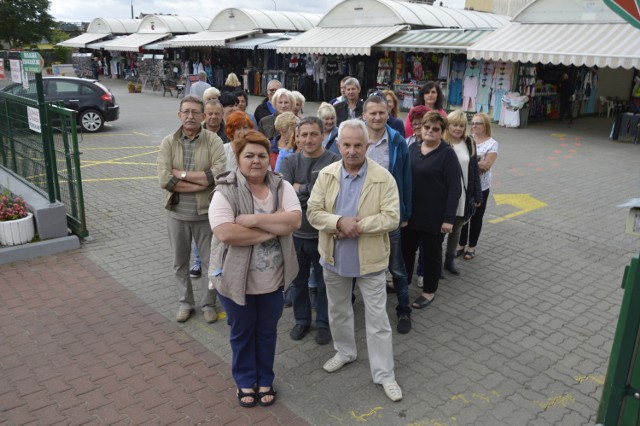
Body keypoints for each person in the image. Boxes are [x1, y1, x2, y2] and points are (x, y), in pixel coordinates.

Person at [307, 119, 403, 402]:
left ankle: (385, 374)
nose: (351, 151)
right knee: (338, 311)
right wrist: (339, 222)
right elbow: (313, 212)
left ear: (367, 146)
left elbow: (392, 217)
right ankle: (345, 352)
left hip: (370, 261)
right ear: (338, 145)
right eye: (346, 145)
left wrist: (358, 225)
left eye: (357, 145)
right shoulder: (326, 174)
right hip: (334, 258)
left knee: (377, 320)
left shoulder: (383, 177)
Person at [208, 130, 301, 408]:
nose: (256, 161)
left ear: (269, 158)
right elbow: (226, 233)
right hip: (235, 280)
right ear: (238, 159)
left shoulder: (280, 186)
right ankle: (245, 381)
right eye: (249, 155)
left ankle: (265, 379)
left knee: (267, 333)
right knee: (242, 332)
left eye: (262, 155)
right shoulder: (225, 189)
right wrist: (273, 229)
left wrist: (252, 219)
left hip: (273, 280)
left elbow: (294, 220)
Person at [157, 94, 226, 324]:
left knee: (211, 263)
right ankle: (185, 303)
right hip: (177, 213)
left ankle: (208, 304)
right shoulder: (169, 142)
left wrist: (182, 175)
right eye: (186, 112)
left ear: (203, 116)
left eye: (195, 112)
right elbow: (165, 180)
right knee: (180, 262)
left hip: (206, 213)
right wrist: (202, 181)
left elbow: (217, 176)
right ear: (179, 115)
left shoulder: (213, 141)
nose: (190, 116)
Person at [279, 116, 341, 345]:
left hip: (324, 235)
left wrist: (301, 189)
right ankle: (302, 320)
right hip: (296, 234)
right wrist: (312, 192)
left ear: (323, 134)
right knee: (298, 281)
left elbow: (330, 196)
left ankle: (324, 323)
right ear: (297, 137)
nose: (308, 139)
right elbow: (285, 195)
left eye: (314, 134)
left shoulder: (334, 161)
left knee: (325, 283)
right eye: (303, 134)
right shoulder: (289, 162)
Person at [361, 94, 412, 334]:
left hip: (389, 214)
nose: (378, 117)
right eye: (373, 113)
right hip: (359, 214)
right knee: (358, 262)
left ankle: (404, 310)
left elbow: (406, 178)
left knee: (397, 267)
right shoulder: (354, 139)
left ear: (388, 114)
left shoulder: (398, 141)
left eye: (382, 112)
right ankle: (354, 307)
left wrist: (404, 212)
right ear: (364, 115)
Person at [401, 111, 461, 310]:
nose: (430, 131)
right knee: (407, 251)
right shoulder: (413, 148)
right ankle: (403, 283)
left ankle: (428, 291)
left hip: (434, 217)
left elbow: (455, 188)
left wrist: (449, 219)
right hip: (412, 214)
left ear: (442, 132)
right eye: (427, 127)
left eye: (436, 129)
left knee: (431, 254)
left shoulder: (447, 154)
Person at [442, 110, 482, 276]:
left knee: (456, 229)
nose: (458, 128)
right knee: (439, 233)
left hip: (464, 195)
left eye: (461, 125)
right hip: (445, 196)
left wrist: (477, 195)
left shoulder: (468, 142)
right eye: (454, 125)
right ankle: (435, 263)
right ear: (448, 125)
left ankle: (449, 260)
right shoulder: (442, 143)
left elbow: (474, 171)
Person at [457, 112, 498, 260]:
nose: (474, 126)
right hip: (466, 184)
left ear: (486, 125)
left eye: (478, 123)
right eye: (472, 123)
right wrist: (477, 162)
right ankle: (461, 244)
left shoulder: (492, 143)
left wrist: (469, 162)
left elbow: (486, 166)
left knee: (476, 217)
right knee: (463, 214)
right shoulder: (467, 140)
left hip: (482, 186)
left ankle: (472, 246)